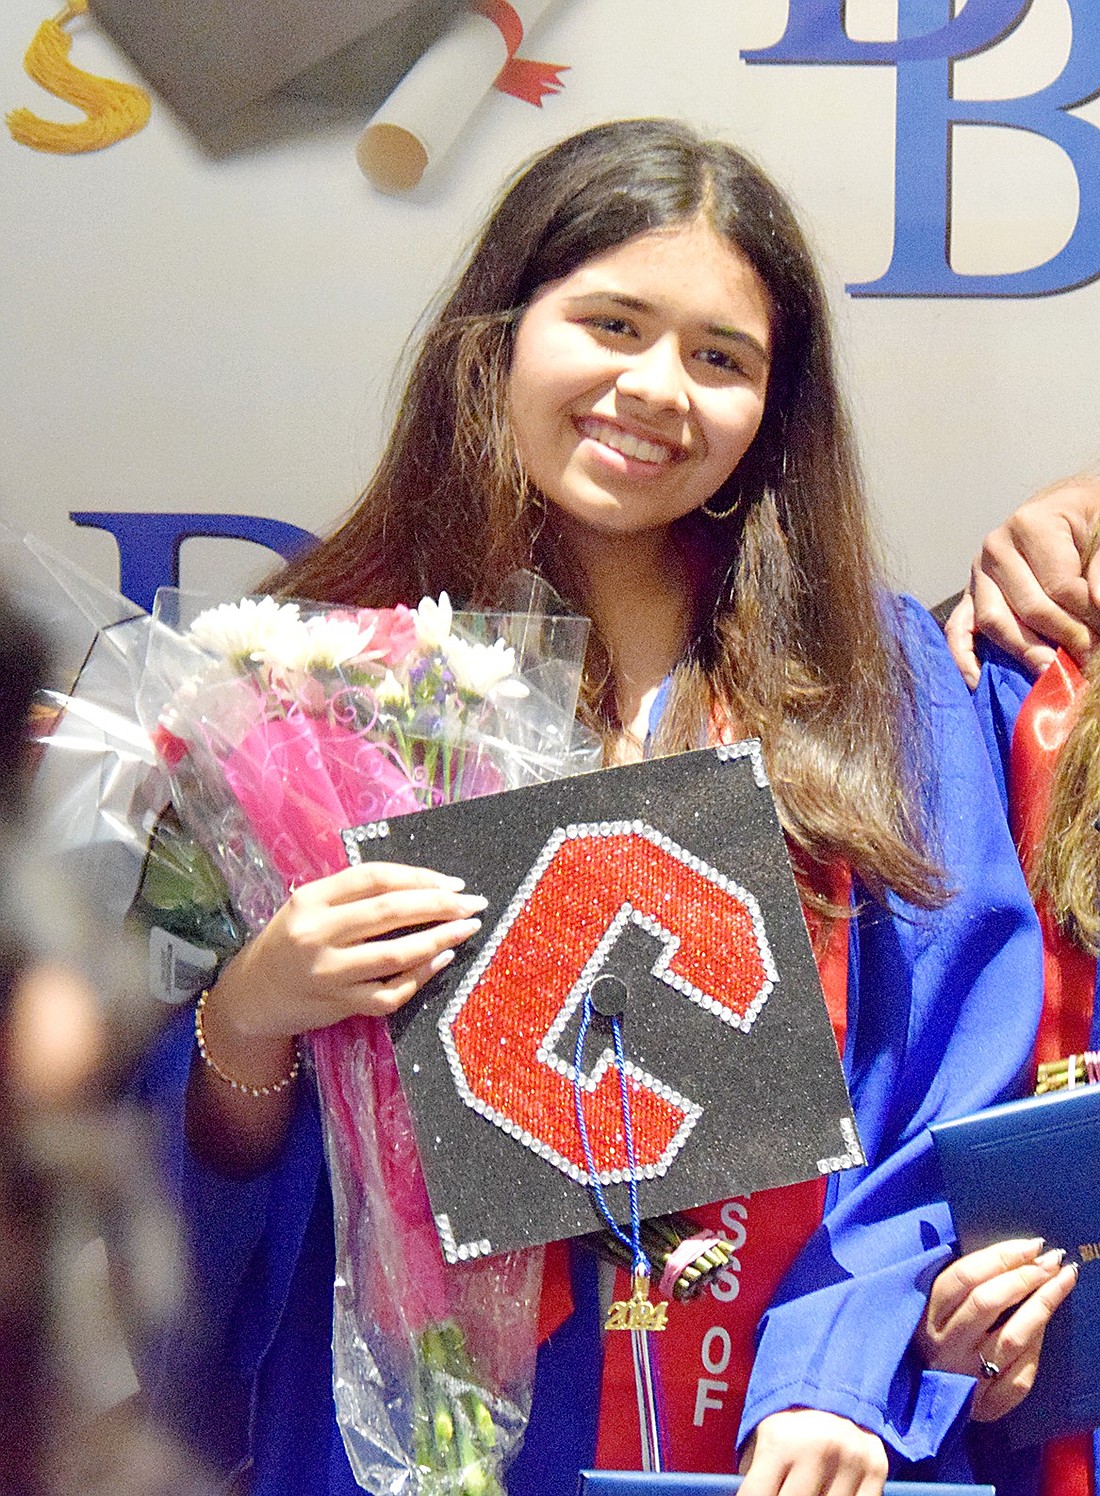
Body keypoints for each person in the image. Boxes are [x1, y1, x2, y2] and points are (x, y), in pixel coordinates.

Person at [134, 118, 1044, 1496]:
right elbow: (159, 1174)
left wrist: (838, 1376)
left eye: (721, 357)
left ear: (767, 417)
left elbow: (956, 1073)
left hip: (774, 1445)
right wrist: (254, 1009)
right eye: (612, 323)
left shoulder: (878, 679)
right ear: (498, 338)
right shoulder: (313, 687)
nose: (658, 388)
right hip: (413, 1444)